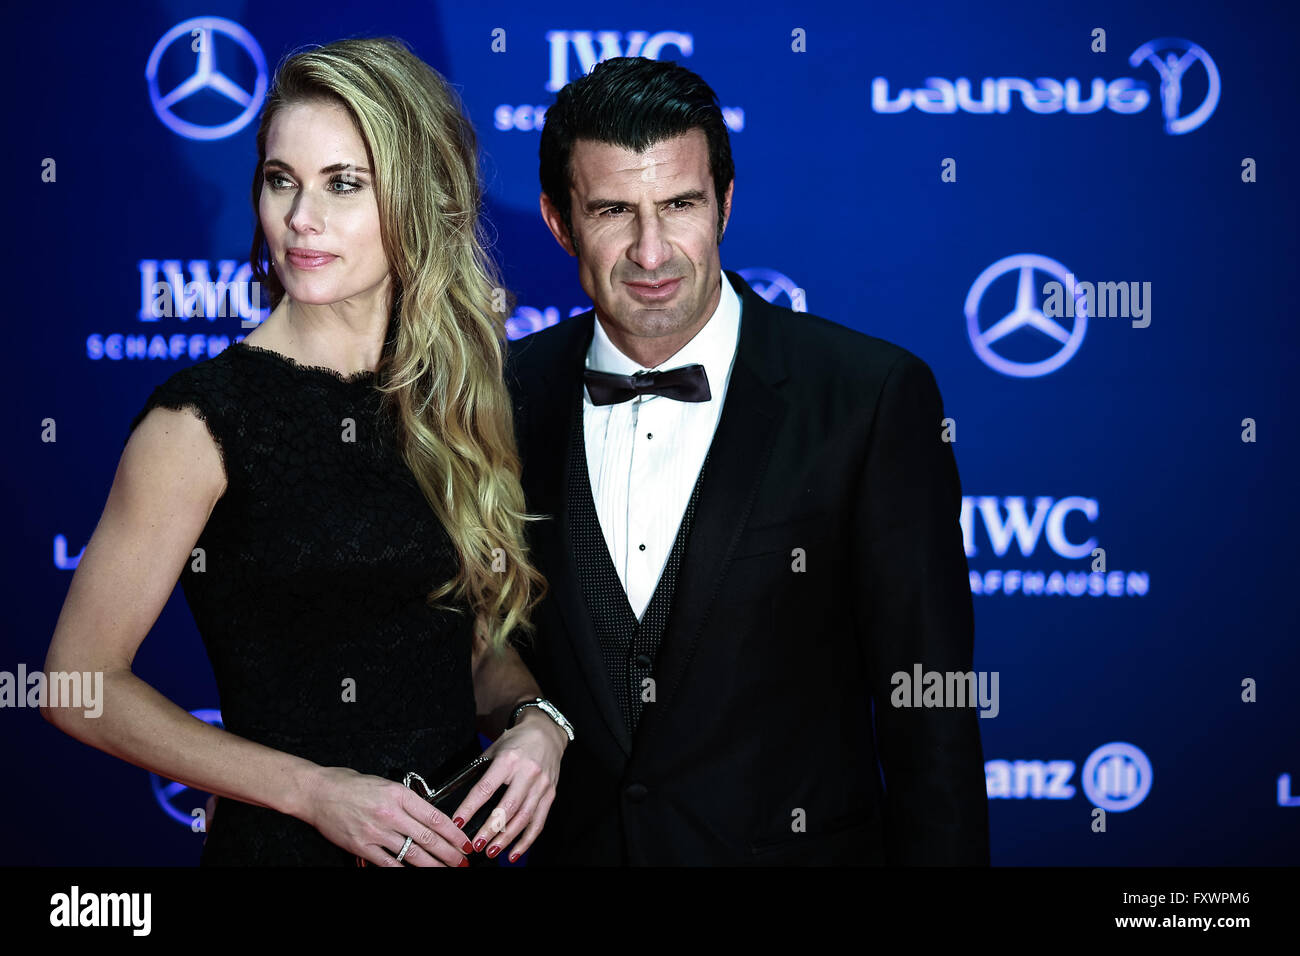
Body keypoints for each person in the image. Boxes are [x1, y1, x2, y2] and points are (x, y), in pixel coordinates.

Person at [42, 37, 572, 867]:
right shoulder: (200, 423)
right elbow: (78, 687)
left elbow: (457, 647)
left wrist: (537, 721)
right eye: (280, 179)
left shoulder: (453, 397)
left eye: (342, 185)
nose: (300, 219)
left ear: (419, 199)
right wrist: (314, 792)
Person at [505, 56, 989, 865]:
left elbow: (929, 716)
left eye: (681, 205)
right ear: (559, 222)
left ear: (726, 202)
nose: (651, 252)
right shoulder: (501, 396)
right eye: (615, 211)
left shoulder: (869, 398)